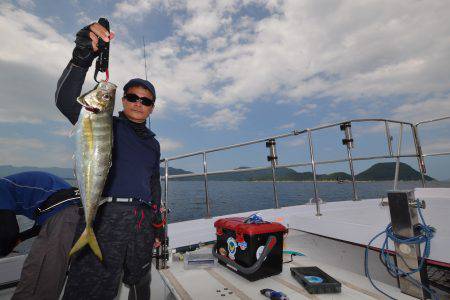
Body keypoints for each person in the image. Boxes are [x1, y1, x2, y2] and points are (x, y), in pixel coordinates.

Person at [55, 21, 164, 300]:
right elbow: (65, 99)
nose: (138, 103)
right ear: (123, 101)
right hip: (104, 216)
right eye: (132, 97)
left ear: (152, 107)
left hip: (141, 222)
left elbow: (153, 183)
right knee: (90, 289)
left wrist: (156, 222)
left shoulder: (153, 144)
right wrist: (82, 56)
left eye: (146, 100)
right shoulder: (104, 122)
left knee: (140, 279)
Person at [0, 171, 80, 300]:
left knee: (40, 275)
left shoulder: (1, 187)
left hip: (65, 212)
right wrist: (18, 239)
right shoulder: (9, 187)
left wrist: (4, 249)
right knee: (43, 272)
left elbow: (8, 233)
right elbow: (35, 228)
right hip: (68, 211)